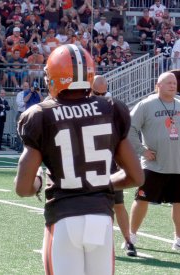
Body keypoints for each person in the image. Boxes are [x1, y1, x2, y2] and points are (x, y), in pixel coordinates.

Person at [15, 44, 144, 275]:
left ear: (53, 77)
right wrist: (100, 183)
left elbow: (23, 188)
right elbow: (136, 176)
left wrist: (38, 182)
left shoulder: (40, 115)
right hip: (101, 218)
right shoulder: (111, 108)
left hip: (64, 217)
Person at [128, 71, 180, 252]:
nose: (173, 85)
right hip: (153, 165)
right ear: (157, 85)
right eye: (168, 83)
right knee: (142, 200)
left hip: (177, 165)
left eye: (174, 83)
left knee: (179, 203)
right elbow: (130, 129)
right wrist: (142, 150)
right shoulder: (146, 105)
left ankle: (179, 239)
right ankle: (131, 237)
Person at [92, 74, 137, 257]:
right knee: (92, 205)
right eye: (96, 93)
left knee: (118, 204)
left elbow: (122, 139)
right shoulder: (81, 107)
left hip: (109, 162)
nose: (100, 97)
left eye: (103, 93)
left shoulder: (114, 108)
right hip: (89, 164)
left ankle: (128, 241)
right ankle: (99, 242)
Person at [14, 88, 26, 153]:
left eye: (26, 86)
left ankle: (24, 147)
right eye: (24, 86)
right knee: (19, 131)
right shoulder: (19, 94)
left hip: (28, 112)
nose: (25, 87)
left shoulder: (31, 93)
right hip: (20, 113)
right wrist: (26, 101)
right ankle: (19, 146)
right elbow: (20, 104)